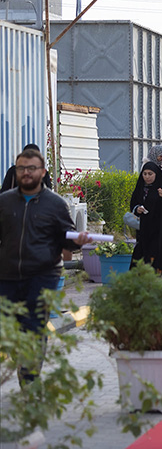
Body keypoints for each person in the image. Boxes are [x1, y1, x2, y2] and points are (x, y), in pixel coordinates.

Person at [0, 148, 91, 384]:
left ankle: (29, 380)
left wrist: (77, 241)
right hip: (7, 275)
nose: (26, 173)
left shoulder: (55, 204)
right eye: (21, 168)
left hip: (42, 274)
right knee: (10, 327)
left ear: (42, 172)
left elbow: (66, 238)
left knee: (34, 325)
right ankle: (22, 360)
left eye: (31, 168)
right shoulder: (4, 202)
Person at [130, 161, 162, 277]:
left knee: (159, 259)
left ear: (156, 174)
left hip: (161, 230)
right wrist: (137, 209)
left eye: (150, 174)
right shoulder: (141, 188)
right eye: (145, 174)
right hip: (145, 231)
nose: (147, 177)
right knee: (142, 257)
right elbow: (134, 203)